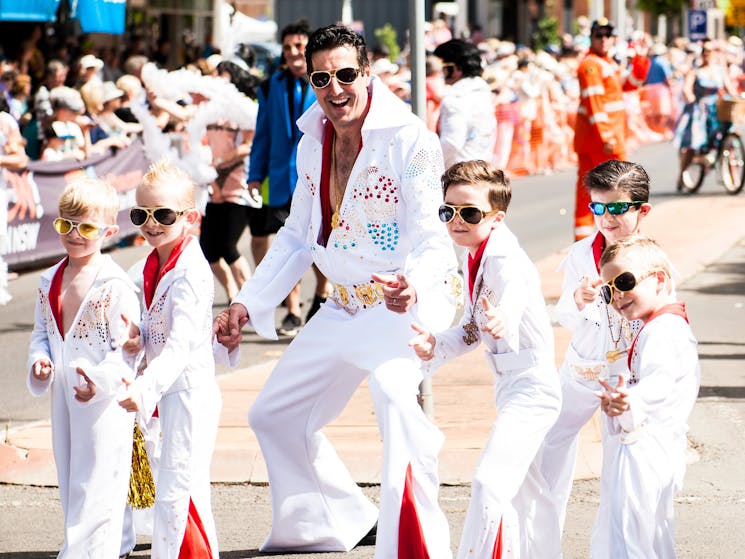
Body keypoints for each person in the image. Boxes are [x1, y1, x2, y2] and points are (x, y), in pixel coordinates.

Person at [214, 24, 460, 556]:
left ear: (367, 73)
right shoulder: (312, 140)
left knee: (395, 401)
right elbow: (297, 237)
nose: (335, 88)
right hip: (340, 309)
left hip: (396, 310)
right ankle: (335, 520)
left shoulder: (409, 138)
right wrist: (244, 303)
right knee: (272, 416)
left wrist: (413, 285)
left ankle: (419, 545)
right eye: (321, 77)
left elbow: (431, 235)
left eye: (346, 74)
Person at [409, 160, 562, 558]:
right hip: (511, 386)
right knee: (531, 496)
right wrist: (436, 344)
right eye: (448, 211)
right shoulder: (476, 252)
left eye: (470, 213)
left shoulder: (502, 258)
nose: (457, 221)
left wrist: (504, 316)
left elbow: (511, 292)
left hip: (533, 390)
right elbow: (471, 330)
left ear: (496, 218)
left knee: (490, 484)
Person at [540, 159, 652, 552]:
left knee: (621, 470)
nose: (606, 217)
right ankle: (541, 547)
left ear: (641, 210)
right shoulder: (580, 253)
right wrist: (579, 298)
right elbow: (565, 317)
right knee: (546, 452)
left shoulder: (651, 259)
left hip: (625, 378)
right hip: (580, 369)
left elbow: (660, 318)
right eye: (598, 207)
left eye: (617, 208)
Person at [26, 177, 140, 557]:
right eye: (66, 225)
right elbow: (41, 332)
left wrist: (102, 382)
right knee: (71, 473)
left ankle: (86, 550)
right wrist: (40, 361)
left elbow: (125, 351)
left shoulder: (114, 284)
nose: (75, 235)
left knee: (98, 475)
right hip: (63, 393)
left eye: (87, 227)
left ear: (109, 230)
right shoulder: (48, 280)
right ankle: (116, 540)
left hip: (102, 397)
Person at [118, 161, 222, 557]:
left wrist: (144, 387)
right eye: (140, 214)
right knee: (177, 491)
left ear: (189, 216)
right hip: (169, 392)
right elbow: (157, 330)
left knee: (179, 494)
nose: (151, 223)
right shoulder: (152, 261)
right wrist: (138, 338)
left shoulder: (191, 272)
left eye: (162, 214)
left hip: (188, 395)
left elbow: (181, 344)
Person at [596, 235, 700, 557]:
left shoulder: (662, 330)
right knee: (651, 535)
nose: (617, 296)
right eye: (608, 290)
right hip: (656, 444)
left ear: (658, 280)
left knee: (630, 535)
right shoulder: (662, 324)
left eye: (624, 282)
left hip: (647, 446)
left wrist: (631, 401)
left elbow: (660, 382)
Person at [247, 20, 330, 335]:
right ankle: (293, 309)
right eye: (288, 48)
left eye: (299, 46)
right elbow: (263, 134)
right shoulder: (270, 86)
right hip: (282, 179)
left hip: (318, 178)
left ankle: (322, 292)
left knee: (318, 247)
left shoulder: (324, 83)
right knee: (289, 244)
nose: (294, 53)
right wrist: (255, 175)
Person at [572, 18, 649, 241]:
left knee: (598, 191)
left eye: (608, 35)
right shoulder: (591, 65)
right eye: (599, 35)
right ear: (592, 38)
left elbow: (632, 83)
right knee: (617, 188)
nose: (604, 39)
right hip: (601, 142)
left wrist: (641, 57)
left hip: (604, 139)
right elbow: (593, 102)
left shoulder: (607, 63)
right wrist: (606, 135)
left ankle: (597, 239)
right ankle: (613, 239)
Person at [199, 59, 257, 302]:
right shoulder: (209, 107)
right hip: (213, 184)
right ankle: (233, 294)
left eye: (219, 73)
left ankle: (251, 298)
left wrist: (221, 160)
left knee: (228, 246)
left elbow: (248, 145)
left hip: (238, 183)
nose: (214, 78)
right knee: (208, 248)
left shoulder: (244, 108)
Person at [673, 38, 739, 188]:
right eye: (705, 51)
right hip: (699, 110)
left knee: (727, 135)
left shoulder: (720, 71)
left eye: (710, 51)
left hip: (717, 109)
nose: (707, 54)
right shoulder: (695, 71)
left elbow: (730, 89)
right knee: (693, 144)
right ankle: (682, 175)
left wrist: (737, 98)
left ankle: (732, 175)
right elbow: (687, 89)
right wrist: (690, 98)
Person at [432, 39, 497, 169]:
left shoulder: (455, 99)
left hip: (460, 173)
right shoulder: (483, 93)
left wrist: (431, 164)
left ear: (456, 69)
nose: (441, 73)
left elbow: (452, 142)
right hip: (483, 168)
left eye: (444, 68)